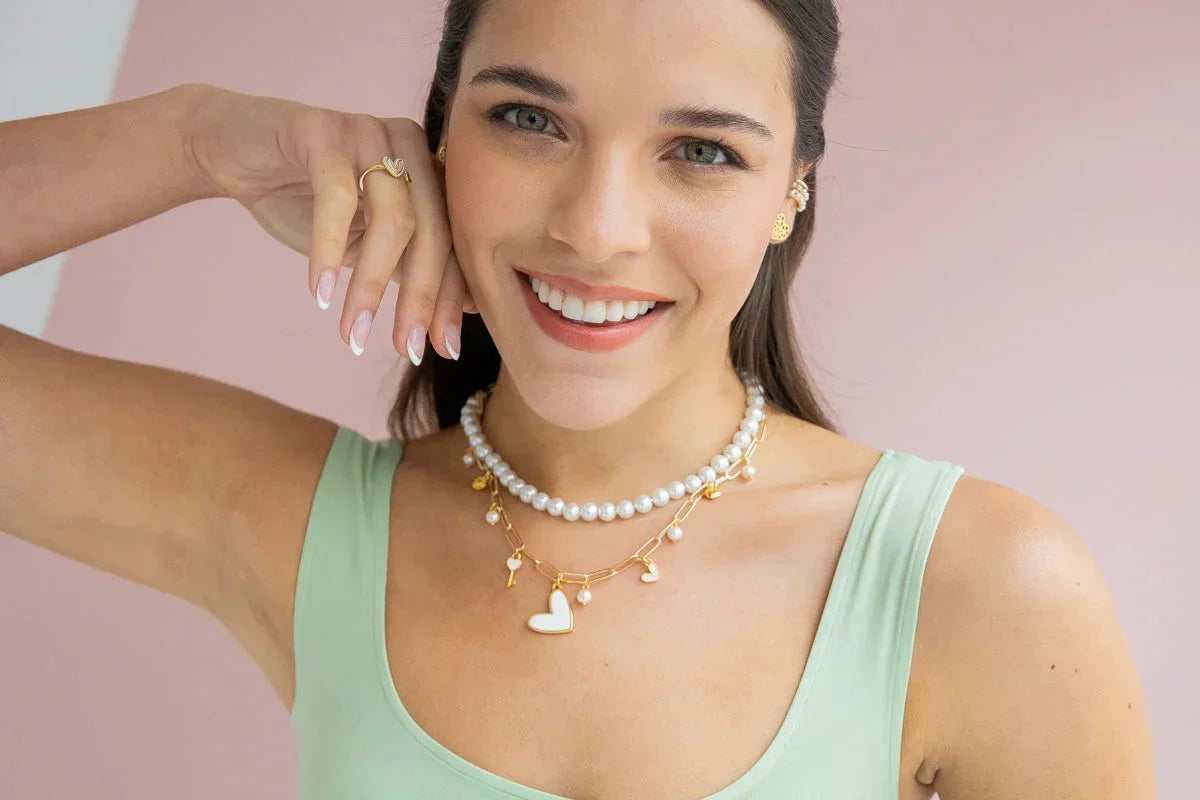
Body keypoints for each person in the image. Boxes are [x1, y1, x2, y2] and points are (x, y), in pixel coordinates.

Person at [0, 0, 1156, 798]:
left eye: (700, 149)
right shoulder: (298, 526)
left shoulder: (980, 587)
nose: (597, 227)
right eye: (529, 119)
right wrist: (196, 136)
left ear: (791, 193)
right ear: (437, 132)